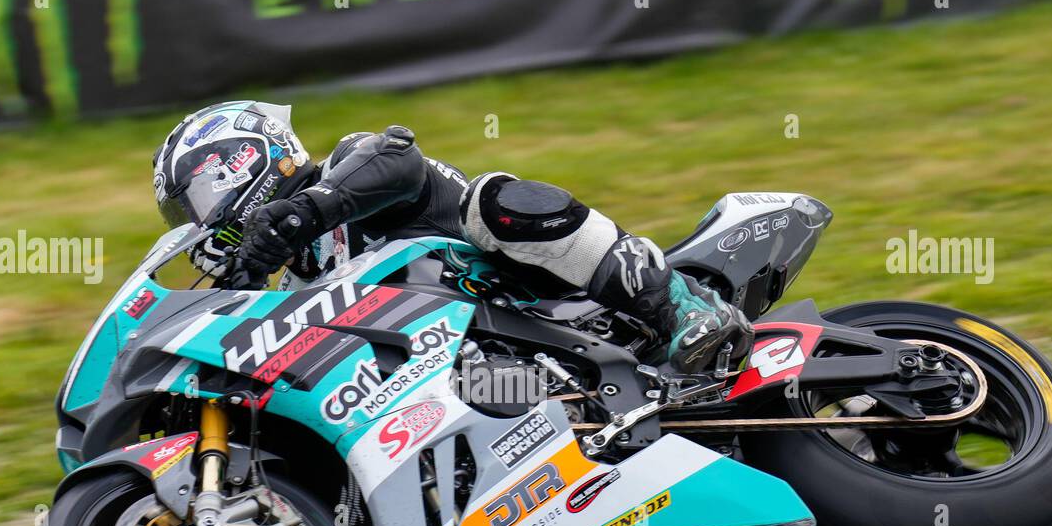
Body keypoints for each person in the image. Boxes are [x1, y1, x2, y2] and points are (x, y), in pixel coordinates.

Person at [152, 100, 752, 374]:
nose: (197, 220)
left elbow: (398, 159)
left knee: (494, 201)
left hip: (542, 301)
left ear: (240, 162)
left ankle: (680, 305)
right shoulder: (297, 278)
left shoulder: (349, 167)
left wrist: (310, 209)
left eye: (195, 199)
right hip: (474, 371)